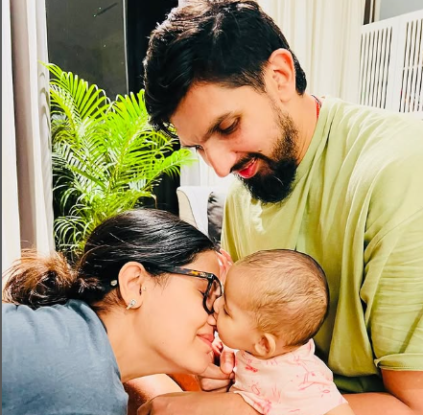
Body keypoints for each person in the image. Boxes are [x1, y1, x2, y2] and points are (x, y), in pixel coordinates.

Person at [140, 0, 423, 414]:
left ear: (280, 76)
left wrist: (234, 408)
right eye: (200, 146)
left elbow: (413, 404)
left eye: (227, 127)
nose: (220, 166)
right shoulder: (244, 194)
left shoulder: (400, 171)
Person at [2, 209, 225, 415]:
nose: (218, 315)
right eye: (205, 292)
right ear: (134, 283)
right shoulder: (84, 389)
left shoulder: (68, 338)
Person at [214, 249, 355, 415]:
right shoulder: (267, 342)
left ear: (264, 344)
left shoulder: (298, 379)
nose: (216, 304)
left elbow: (335, 407)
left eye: (226, 310)